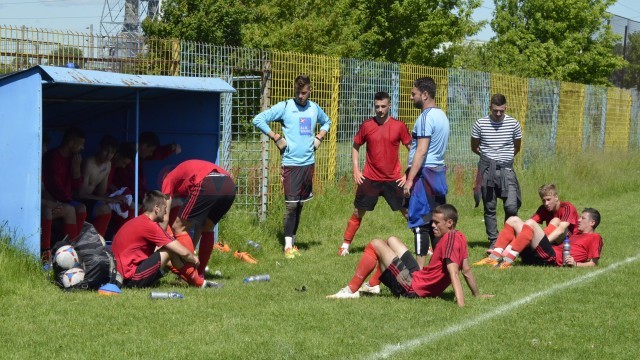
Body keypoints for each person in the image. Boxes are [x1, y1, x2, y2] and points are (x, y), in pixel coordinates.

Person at [327, 204, 493, 307]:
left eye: (437, 223)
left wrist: (461, 304)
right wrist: (477, 295)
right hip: (419, 277)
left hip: (413, 288)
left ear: (449, 223)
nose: (432, 226)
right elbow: (467, 270)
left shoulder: (449, 241)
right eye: (432, 221)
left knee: (376, 243)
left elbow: (455, 272)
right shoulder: (460, 236)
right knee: (392, 240)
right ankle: (373, 285)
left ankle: (350, 290)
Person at [252, 74, 331, 258]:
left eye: (304, 93)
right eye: (298, 93)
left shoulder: (314, 108)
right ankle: (287, 247)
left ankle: (293, 242)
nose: (300, 96)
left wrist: (319, 137)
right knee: (291, 205)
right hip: (291, 164)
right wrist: (276, 137)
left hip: (308, 163)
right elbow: (258, 120)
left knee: (300, 204)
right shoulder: (286, 106)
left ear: (310, 91)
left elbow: (327, 121)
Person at [338, 91, 411, 256]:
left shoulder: (399, 126)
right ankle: (345, 246)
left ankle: (424, 245)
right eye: (377, 106)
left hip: (394, 179)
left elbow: (412, 150)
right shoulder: (367, 125)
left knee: (408, 211)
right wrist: (356, 169)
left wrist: (408, 174)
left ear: (389, 106)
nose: (380, 110)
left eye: (383, 106)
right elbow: (356, 146)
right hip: (370, 178)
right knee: (358, 211)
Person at [111, 190, 220, 288]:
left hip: (120, 276)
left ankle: (198, 282)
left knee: (167, 255)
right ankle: (199, 283)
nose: (166, 212)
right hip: (131, 279)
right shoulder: (149, 226)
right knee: (170, 250)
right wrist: (193, 259)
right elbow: (180, 251)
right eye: (164, 208)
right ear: (157, 208)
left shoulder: (138, 221)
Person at [402, 77, 450, 267]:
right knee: (436, 221)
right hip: (438, 173)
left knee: (420, 223)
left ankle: (420, 271)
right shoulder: (442, 116)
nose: (411, 97)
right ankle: (439, 267)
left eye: (413, 94)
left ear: (425, 94)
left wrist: (410, 179)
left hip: (424, 174)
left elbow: (421, 151)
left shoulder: (426, 117)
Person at [474, 183, 579, 269]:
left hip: (563, 246)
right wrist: (509, 245)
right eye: (543, 200)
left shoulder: (567, 207)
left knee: (555, 221)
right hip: (546, 244)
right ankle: (495, 255)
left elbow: (561, 230)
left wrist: (543, 241)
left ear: (556, 197)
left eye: (548, 199)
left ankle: (509, 258)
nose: (546, 203)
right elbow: (526, 227)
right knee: (513, 220)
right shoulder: (543, 209)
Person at [162, 160, 237, 276]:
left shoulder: (168, 178)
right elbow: (198, 226)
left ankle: (191, 275)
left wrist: (161, 241)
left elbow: (164, 217)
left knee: (178, 226)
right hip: (229, 185)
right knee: (207, 227)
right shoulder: (187, 176)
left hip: (208, 181)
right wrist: (190, 247)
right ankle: (199, 273)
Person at [471, 93, 523, 253]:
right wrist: (489, 160)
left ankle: (507, 239)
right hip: (486, 170)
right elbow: (474, 147)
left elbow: (517, 147)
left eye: (501, 110)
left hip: (507, 169)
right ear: (490, 108)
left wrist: (503, 159)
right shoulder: (480, 124)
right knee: (490, 207)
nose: (498, 114)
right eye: (495, 110)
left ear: (505, 107)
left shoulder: (514, 124)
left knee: (512, 207)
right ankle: (494, 241)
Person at [477, 208, 602, 269]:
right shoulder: (576, 234)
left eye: (583, 218)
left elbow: (593, 263)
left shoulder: (595, 237)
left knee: (531, 223)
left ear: (592, 223)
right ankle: (493, 258)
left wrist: (575, 264)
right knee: (512, 220)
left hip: (551, 258)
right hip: (541, 254)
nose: (579, 220)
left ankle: (507, 261)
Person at [42, 127, 87, 240]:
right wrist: (60, 202)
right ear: (71, 142)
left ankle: (77, 244)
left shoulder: (75, 158)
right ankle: (69, 247)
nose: (83, 148)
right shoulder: (52, 156)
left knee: (81, 208)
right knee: (70, 209)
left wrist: (76, 170)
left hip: (66, 200)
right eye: (80, 144)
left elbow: (77, 187)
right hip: (54, 199)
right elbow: (51, 184)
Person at [77, 135, 125, 236]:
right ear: (100, 148)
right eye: (106, 151)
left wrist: (113, 197)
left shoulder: (108, 165)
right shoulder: (89, 163)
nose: (108, 155)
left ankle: (103, 242)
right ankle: (96, 244)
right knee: (104, 209)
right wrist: (108, 199)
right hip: (79, 199)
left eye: (112, 153)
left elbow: (101, 192)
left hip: (91, 199)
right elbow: (81, 194)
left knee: (123, 204)